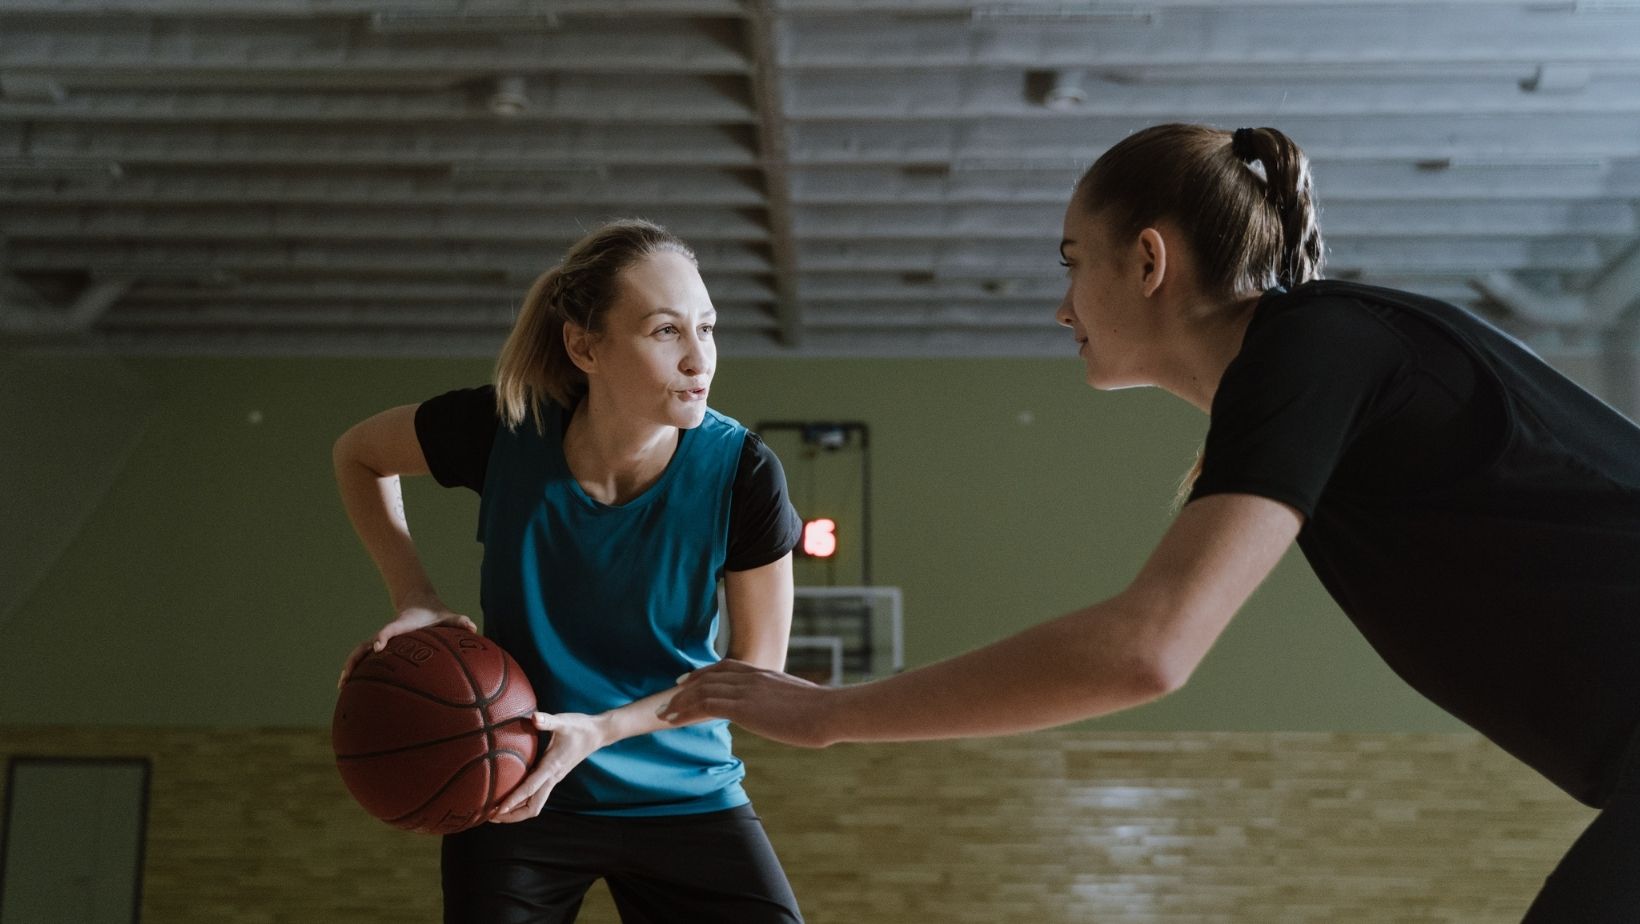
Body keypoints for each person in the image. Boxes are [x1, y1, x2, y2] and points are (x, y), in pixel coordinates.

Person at [661, 124, 1640, 922]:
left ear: (1146, 259)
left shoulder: (1317, 346)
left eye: (1071, 262)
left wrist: (829, 715)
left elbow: (1146, 650)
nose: (1059, 307)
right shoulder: (1305, 374)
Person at [332, 218, 805, 923]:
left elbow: (756, 672)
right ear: (585, 346)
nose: (699, 359)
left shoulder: (742, 472)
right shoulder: (503, 432)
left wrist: (604, 729)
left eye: (707, 328)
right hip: (519, 787)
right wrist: (416, 597)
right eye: (665, 331)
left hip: (685, 790)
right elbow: (358, 454)